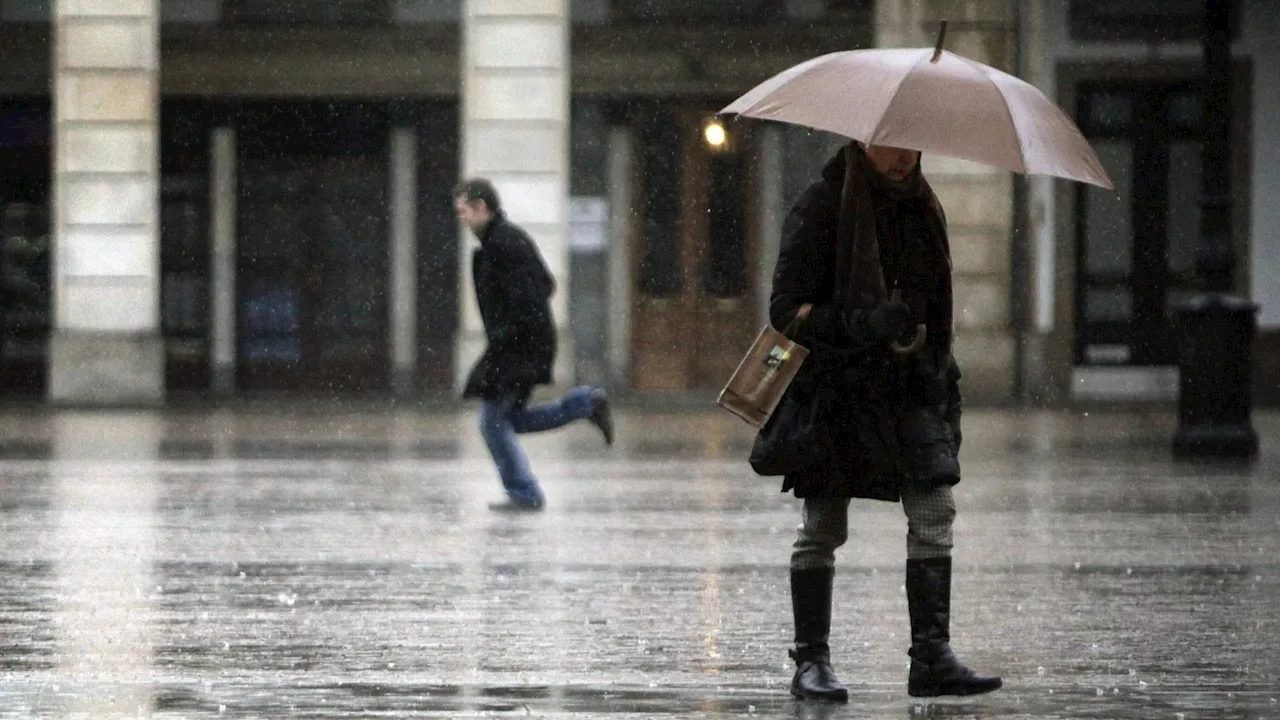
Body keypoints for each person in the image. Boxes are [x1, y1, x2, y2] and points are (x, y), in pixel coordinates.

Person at [767, 142, 1002, 701]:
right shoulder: (822, 205)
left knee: (934, 509)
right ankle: (811, 661)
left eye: (913, 144)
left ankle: (931, 655)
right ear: (863, 139)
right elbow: (784, 311)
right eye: (891, 143)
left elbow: (937, 302)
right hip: (837, 388)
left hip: (911, 385)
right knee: (823, 525)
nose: (904, 156)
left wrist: (935, 367)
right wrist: (861, 324)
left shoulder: (925, 207)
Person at [454, 178, 614, 512]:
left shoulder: (504, 244)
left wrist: (506, 332)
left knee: (493, 422)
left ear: (482, 208)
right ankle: (585, 404)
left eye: (464, 211)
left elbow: (532, 293)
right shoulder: (503, 241)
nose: (462, 220)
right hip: (523, 343)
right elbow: (546, 283)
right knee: (507, 420)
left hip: (519, 347)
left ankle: (525, 492)